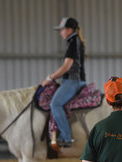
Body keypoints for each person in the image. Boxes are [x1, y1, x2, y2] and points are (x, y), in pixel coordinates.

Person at [41, 17, 86, 147]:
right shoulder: (74, 41)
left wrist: (50, 78)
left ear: (69, 30)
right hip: (73, 80)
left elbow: (66, 67)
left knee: (55, 104)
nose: (61, 32)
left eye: (62, 29)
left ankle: (66, 137)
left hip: (73, 81)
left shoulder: (73, 42)